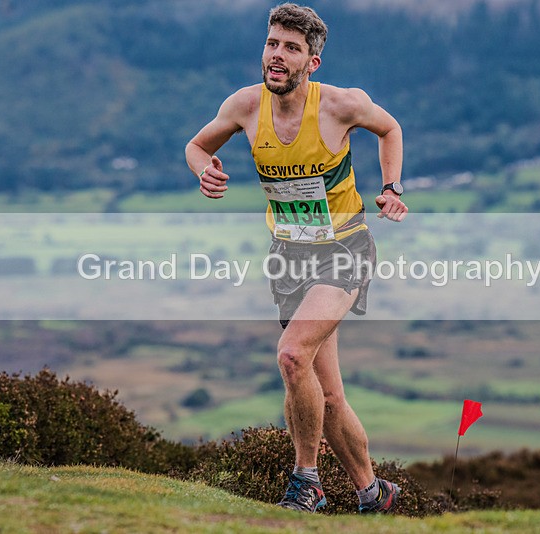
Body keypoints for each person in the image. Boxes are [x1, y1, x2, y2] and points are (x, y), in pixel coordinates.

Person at [185, 3, 408, 514]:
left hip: (344, 250)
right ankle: (374, 493)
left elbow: (390, 128)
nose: (277, 56)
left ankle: (307, 481)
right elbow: (196, 145)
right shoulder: (245, 106)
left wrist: (392, 187)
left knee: (290, 355)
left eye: (291, 48)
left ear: (312, 62)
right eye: (272, 44)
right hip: (289, 259)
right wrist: (204, 170)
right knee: (326, 395)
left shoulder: (342, 105)